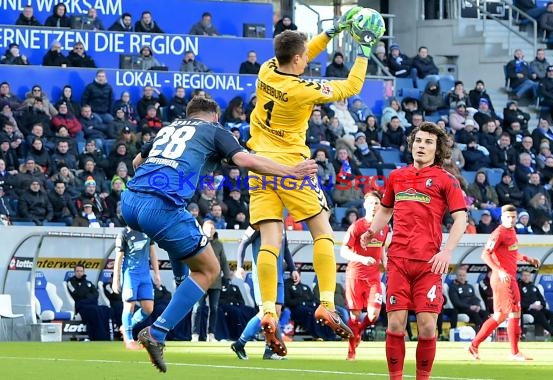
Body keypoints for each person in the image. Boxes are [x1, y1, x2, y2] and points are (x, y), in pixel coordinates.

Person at [121, 96, 317, 372]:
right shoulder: (214, 130)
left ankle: (180, 276)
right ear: (214, 115)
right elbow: (244, 160)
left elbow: (137, 161)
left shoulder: (168, 128)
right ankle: (156, 333)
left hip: (130, 202)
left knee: (183, 226)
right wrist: (291, 171)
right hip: (160, 208)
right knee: (208, 271)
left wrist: (179, 179)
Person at [246, 6, 379, 357]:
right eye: (305, 57)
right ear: (297, 60)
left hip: (258, 166)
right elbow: (352, 85)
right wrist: (363, 49)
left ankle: (268, 309)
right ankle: (324, 301)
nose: (309, 60)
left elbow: (304, 52)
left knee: (270, 243)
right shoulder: (303, 90)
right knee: (323, 233)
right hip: (291, 168)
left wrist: (334, 31)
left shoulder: (267, 69)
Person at [361, 121, 468, 380]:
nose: (422, 146)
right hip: (398, 259)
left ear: (437, 148)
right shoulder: (397, 177)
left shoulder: (446, 180)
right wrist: (372, 231)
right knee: (396, 324)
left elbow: (461, 218)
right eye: (418, 141)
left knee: (427, 327)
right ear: (412, 145)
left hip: (430, 263)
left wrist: (447, 251)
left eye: (428, 142)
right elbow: (386, 209)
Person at [468, 205, 542, 361]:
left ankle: (474, 345)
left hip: (507, 278)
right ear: (502, 218)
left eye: (514, 217)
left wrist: (528, 259)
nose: (512, 219)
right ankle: (514, 352)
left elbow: (512, 252)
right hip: (503, 279)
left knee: (499, 316)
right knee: (515, 312)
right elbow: (485, 255)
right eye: (508, 217)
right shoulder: (499, 233)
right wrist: (499, 270)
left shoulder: (512, 231)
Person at [231, 226, 298, 360]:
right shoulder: (258, 222)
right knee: (265, 313)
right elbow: (243, 243)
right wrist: (239, 266)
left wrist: (293, 269)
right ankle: (240, 343)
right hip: (262, 275)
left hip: (278, 275)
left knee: (276, 312)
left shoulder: (281, 225)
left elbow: (285, 249)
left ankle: (269, 350)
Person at [340, 191, 390, 361]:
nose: (374, 206)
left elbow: (382, 247)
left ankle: (357, 332)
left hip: (374, 277)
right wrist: (362, 258)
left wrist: (385, 260)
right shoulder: (357, 226)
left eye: (377, 203)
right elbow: (343, 250)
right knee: (354, 316)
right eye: (371, 203)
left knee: (373, 315)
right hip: (355, 276)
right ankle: (351, 351)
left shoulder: (384, 227)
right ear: (364, 205)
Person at [112, 226, 161, 350]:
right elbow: (118, 258)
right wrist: (115, 279)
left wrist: (157, 273)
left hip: (145, 275)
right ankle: (129, 339)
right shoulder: (124, 233)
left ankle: (127, 326)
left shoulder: (147, 230)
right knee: (129, 305)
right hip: (130, 275)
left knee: (149, 308)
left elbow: (153, 252)